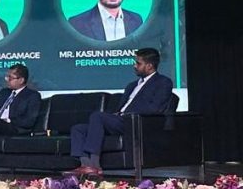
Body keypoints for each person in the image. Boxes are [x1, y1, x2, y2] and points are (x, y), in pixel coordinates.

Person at [66, 48, 174, 176]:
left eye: (138, 63)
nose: (134, 66)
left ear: (149, 66)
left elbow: (155, 108)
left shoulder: (163, 83)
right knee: (78, 129)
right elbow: (120, 107)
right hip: (120, 120)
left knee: (97, 116)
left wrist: (128, 115)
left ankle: (94, 164)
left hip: (134, 122)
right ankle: (86, 165)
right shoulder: (132, 85)